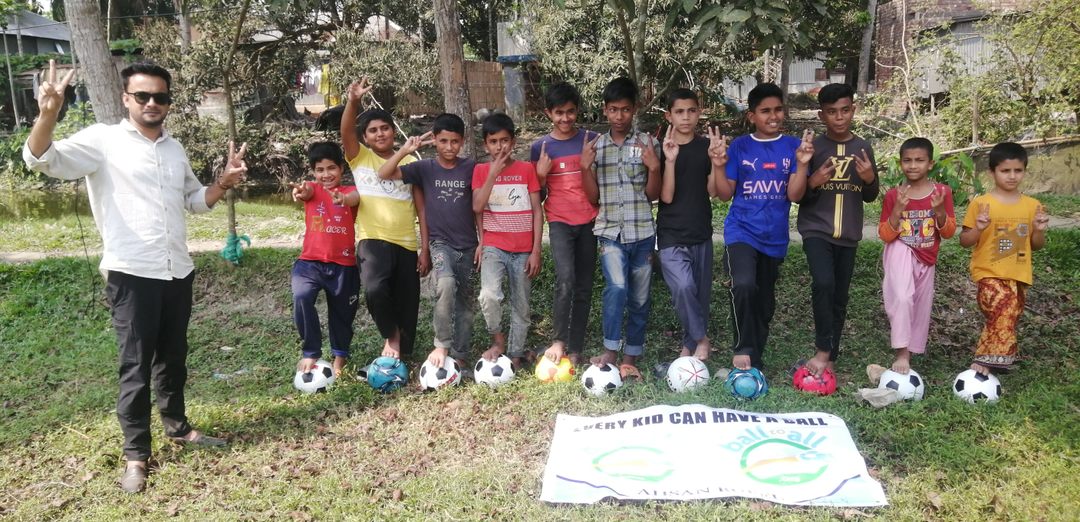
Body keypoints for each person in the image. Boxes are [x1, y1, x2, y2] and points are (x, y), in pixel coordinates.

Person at [22, 61, 244, 493]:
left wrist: (223, 181)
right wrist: (48, 114)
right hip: (132, 273)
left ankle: (177, 426)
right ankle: (136, 455)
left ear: (169, 102)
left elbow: (195, 201)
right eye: (142, 96)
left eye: (160, 96)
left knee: (173, 357)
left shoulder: (175, 149)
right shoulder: (103, 141)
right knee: (136, 366)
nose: (151, 103)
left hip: (177, 270)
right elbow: (40, 159)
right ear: (126, 99)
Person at [717, 82, 813, 372]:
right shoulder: (740, 146)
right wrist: (718, 165)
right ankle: (743, 349)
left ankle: (754, 359)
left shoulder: (794, 147)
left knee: (764, 303)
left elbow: (795, 195)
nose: (773, 116)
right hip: (741, 231)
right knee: (744, 285)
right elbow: (724, 194)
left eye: (778, 109)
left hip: (774, 237)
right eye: (765, 111)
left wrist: (803, 164)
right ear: (752, 116)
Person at [377, 113, 479, 370]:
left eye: (454, 141)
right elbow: (384, 173)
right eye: (443, 141)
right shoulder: (424, 168)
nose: (449, 147)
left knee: (466, 301)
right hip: (440, 244)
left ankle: (461, 353)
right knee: (445, 283)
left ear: (463, 141)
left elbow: (480, 207)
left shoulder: (471, 167)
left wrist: (483, 241)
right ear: (434, 139)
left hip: (468, 246)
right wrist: (405, 150)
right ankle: (441, 343)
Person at [580, 77, 661, 381]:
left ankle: (631, 357)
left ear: (634, 109)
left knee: (640, 297)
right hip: (610, 232)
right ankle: (611, 350)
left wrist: (654, 167)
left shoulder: (647, 145)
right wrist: (584, 167)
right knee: (616, 288)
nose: (619, 116)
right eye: (613, 109)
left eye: (625, 109)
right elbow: (593, 197)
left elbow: (653, 194)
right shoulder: (596, 147)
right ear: (605, 109)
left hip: (642, 232)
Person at [796, 83, 880, 377]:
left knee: (840, 296)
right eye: (832, 112)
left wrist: (869, 179)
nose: (839, 117)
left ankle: (831, 355)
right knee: (824, 284)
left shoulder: (863, 147)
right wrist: (812, 181)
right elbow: (798, 195)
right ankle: (822, 349)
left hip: (849, 234)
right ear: (822, 115)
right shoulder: (814, 148)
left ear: (853, 110)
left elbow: (871, 195)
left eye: (845, 110)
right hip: (816, 230)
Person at [340, 77, 423, 361]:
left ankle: (403, 351)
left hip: (407, 243)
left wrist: (424, 248)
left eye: (384, 128)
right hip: (372, 240)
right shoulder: (359, 157)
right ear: (365, 138)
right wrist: (353, 101)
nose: (380, 134)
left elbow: (421, 209)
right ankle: (391, 336)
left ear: (393, 131)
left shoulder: (412, 163)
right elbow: (346, 130)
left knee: (407, 302)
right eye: (373, 130)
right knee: (375, 290)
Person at [959, 142, 1048, 375]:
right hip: (989, 273)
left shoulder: (1033, 206)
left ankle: (998, 359)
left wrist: (1039, 230)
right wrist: (978, 228)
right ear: (992, 172)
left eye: (1018, 170)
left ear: (1024, 171)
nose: (1012, 176)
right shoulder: (981, 204)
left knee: (1008, 316)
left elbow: (1036, 246)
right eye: (1005, 170)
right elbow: (965, 240)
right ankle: (984, 359)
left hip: (1019, 275)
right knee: (1004, 308)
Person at [657, 88, 728, 361]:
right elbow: (666, 196)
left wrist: (716, 162)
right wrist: (670, 161)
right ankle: (702, 339)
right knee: (683, 287)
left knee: (699, 295)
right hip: (671, 234)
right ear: (669, 116)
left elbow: (714, 191)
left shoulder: (705, 147)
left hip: (700, 231)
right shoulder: (663, 148)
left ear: (699, 113)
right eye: (679, 112)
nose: (685, 117)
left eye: (691, 111)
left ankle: (689, 348)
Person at [531, 82, 599, 367]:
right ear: (549, 113)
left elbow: (598, 187)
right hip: (559, 221)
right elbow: (537, 195)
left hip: (590, 221)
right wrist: (541, 176)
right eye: (559, 113)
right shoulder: (540, 147)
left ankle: (576, 346)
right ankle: (559, 339)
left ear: (577, 110)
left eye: (570, 111)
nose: (565, 118)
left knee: (584, 285)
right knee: (565, 279)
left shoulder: (592, 140)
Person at [878, 137, 956, 374]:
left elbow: (949, 232)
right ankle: (901, 353)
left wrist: (940, 211)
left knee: (922, 304)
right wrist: (897, 210)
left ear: (930, 164)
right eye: (907, 160)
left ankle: (911, 351)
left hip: (928, 255)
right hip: (901, 250)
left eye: (919, 160)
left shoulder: (942, 192)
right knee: (902, 297)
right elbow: (885, 235)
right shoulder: (894, 195)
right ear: (900, 163)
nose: (913, 165)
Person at [472, 113, 543, 369]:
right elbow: (477, 207)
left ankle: (515, 352)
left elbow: (537, 211)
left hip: (523, 249)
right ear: (485, 145)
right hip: (494, 246)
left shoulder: (526, 169)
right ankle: (498, 340)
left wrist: (536, 250)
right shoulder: (481, 171)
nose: (499, 146)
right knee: (489, 295)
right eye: (493, 142)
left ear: (513, 142)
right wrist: (493, 174)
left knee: (521, 304)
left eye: (504, 140)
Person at [289, 142, 360, 378]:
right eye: (320, 170)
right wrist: (300, 191)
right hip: (310, 263)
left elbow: (355, 198)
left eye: (331, 168)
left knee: (342, 314)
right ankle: (311, 351)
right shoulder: (312, 188)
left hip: (343, 265)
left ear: (341, 168)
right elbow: (305, 192)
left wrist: (343, 199)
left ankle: (339, 358)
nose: (326, 174)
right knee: (301, 296)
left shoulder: (350, 191)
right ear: (313, 172)